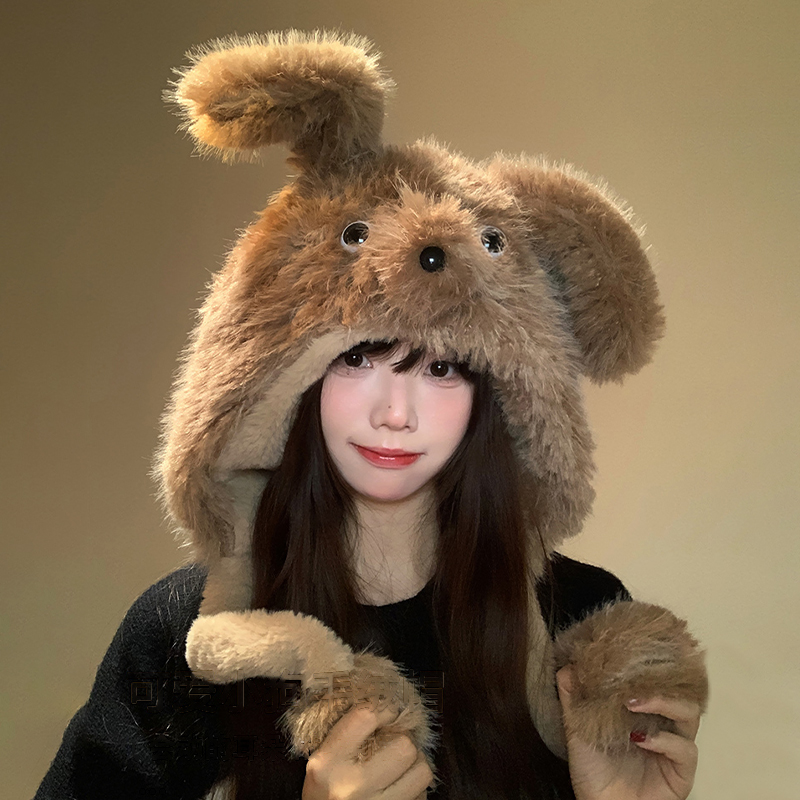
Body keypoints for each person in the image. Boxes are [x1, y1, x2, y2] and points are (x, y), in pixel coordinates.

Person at [36, 31, 707, 800]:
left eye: (443, 370)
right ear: (286, 378)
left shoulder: (578, 627)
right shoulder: (183, 639)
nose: (395, 413)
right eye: (358, 359)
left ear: (497, 401)